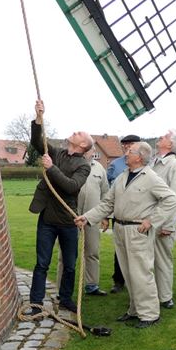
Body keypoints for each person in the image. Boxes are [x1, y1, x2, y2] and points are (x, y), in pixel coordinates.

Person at [75, 142, 176, 329]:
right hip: (121, 229)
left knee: (141, 273)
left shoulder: (151, 178)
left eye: (130, 151)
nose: (126, 152)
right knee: (129, 273)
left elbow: (171, 200)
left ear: (139, 157)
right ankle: (135, 310)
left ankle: (150, 314)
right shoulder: (123, 176)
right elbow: (107, 203)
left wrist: (152, 221)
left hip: (138, 231)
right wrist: (87, 218)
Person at [28, 100, 92, 314]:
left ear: (83, 146)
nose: (74, 132)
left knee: (70, 265)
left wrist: (51, 168)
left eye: (79, 133)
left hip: (67, 221)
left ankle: (65, 299)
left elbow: (71, 187)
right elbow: (37, 142)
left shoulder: (83, 165)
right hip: (47, 219)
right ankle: (36, 304)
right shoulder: (57, 153)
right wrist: (38, 118)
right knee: (42, 263)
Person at [56, 146, 110, 296]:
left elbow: (106, 193)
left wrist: (105, 216)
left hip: (92, 217)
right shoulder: (68, 164)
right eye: (85, 149)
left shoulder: (99, 168)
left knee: (92, 251)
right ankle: (62, 288)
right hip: (70, 217)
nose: (88, 152)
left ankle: (92, 285)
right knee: (65, 254)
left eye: (91, 149)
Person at [151, 129, 176, 309]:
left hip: (163, 223)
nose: (160, 137)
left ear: (170, 144)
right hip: (149, 221)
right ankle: (151, 294)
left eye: (164, 136)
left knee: (163, 260)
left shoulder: (174, 166)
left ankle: (165, 297)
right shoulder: (154, 162)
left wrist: (169, 225)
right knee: (148, 260)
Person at [106, 134, 141, 294]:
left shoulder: (146, 164)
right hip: (119, 214)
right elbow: (107, 188)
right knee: (119, 248)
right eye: (125, 144)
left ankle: (137, 281)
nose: (127, 147)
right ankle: (118, 281)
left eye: (131, 144)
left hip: (138, 215)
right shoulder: (115, 165)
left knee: (138, 250)